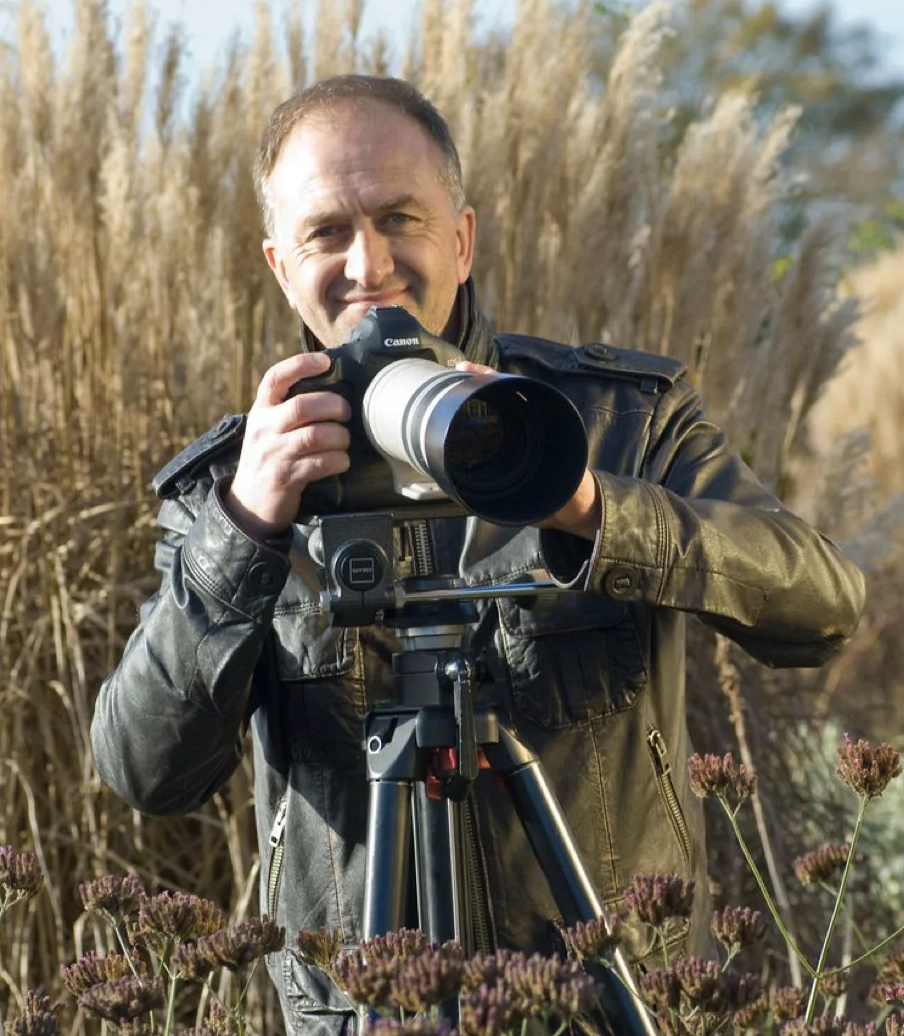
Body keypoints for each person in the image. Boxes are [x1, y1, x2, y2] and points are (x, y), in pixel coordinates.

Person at [91, 75, 865, 1034]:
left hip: (612, 998)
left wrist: (587, 508)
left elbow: (824, 601)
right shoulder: (233, 487)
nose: (367, 263)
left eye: (398, 219)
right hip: (373, 1013)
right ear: (279, 264)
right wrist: (246, 529)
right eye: (326, 231)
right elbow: (143, 771)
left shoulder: (614, 422)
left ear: (461, 238)